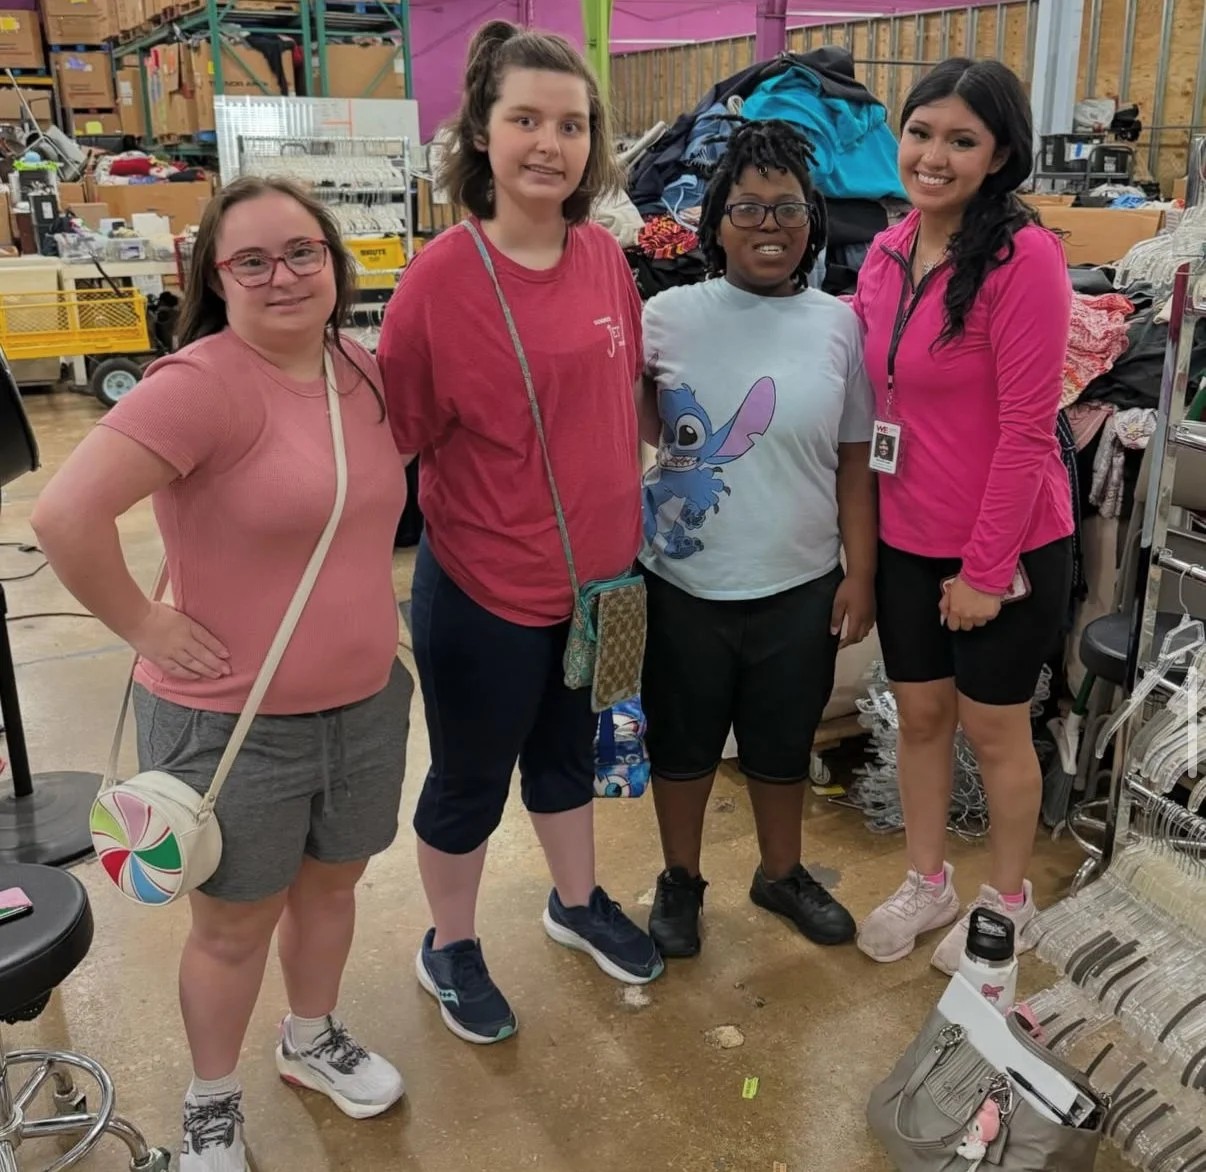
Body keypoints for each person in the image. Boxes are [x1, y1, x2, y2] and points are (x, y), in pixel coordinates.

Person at [31, 176, 411, 1170]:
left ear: (336, 261)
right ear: (215, 277)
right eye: (252, 259)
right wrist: (143, 621)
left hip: (367, 703)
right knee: (234, 926)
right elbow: (63, 517)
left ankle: (312, 1036)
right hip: (232, 726)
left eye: (302, 251)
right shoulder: (201, 383)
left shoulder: (359, 372)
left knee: (334, 890)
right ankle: (210, 1101)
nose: (282, 274)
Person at [376, 19, 662, 1047]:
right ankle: (450, 940)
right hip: (485, 591)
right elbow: (393, 444)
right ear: (481, 135)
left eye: (572, 124)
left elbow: (624, 401)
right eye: (527, 119)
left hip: (599, 588)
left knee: (568, 759)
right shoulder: (436, 283)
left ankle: (574, 900)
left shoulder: (603, 258)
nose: (552, 142)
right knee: (466, 780)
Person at [850, 58, 1074, 974]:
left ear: (1001, 154)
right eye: (921, 132)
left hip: (1009, 542)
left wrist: (983, 572)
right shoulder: (888, 248)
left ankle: (1008, 901)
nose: (933, 155)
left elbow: (1028, 434)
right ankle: (928, 880)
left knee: (995, 728)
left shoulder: (1025, 259)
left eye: (961, 140)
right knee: (920, 719)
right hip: (908, 535)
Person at [638, 118, 878, 958]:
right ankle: (680, 879)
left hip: (801, 579)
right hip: (683, 580)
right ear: (715, 224)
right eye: (747, 209)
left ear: (812, 221)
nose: (769, 225)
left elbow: (855, 460)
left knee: (782, 743)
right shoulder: (664, 316)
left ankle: (781, 874)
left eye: (787, 209)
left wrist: (862, 572)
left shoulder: (838, 326)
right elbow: (629, 428)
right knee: (682, 742)